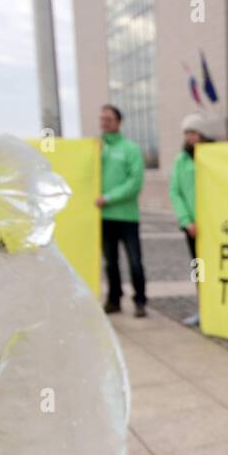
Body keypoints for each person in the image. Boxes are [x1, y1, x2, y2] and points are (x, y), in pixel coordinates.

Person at [96, 103, 147, 316]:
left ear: (118, 122)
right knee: (110, 262)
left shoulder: (130, 149)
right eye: (102, 119)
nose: (104, 123)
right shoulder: (97, 149)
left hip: (126, 216)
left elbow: (135, 182)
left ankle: (140, 301)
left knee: (134, 260)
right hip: (104, 217)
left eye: (108, 119)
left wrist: (109, 198)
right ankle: (114, 299)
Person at [170, 113, 211, 326]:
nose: (189, 137)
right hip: (194, 228)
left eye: (193, 132)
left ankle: (219, 310)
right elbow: (175, 191)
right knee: (199, 269)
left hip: (214, 227)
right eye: (186, 133)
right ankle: (202, 309)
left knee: (215, 269)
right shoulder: (181, 160)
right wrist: (186, 221)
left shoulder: (215, 155)